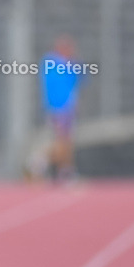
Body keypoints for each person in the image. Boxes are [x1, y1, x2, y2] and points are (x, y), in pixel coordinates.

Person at [42, 35, 83, 182]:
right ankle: (39, 164)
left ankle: (64, 171)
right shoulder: (51, 62)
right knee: (61, 141)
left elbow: (80, 79)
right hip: (58, 107)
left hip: (68, 107)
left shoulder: (69, 63)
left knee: (67, 142)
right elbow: (56, 84)